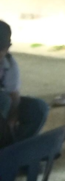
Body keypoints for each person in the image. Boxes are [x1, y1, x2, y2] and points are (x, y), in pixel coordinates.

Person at [0, 20, 49, 148]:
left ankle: (15, 150)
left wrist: (12, 118)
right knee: (3, 100)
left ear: (7, 48)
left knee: (38, 108)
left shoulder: (8, 64)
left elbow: (13, 94)